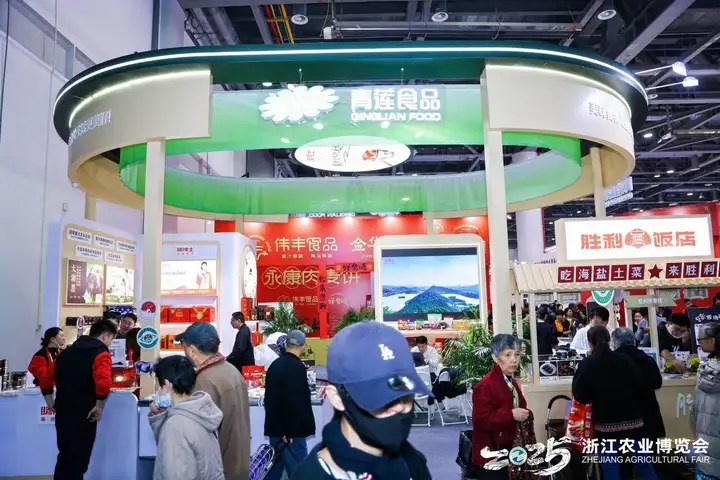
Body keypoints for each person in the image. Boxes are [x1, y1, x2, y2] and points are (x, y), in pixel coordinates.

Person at [292, 321, 432, 480]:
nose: (399, 407)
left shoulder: (413, 462)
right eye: (380, 397)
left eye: (406, 395)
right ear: (337, 398)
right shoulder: (310, 476)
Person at [572, 326, 657, 480]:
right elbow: (639, 386)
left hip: (605, 424)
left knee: (611, 467)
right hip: (633, 421)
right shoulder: (624, 360)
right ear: (609, 340)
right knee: (644, 463)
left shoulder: (587, 363)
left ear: (590, 342)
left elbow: (579, 395)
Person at [176, 323, 250, 480]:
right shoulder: (231, 370)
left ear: (193, 351)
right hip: (238, 463)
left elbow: (197, 437)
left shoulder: (204, 380)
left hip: (219, 469)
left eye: (184, 345)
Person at [44, 319, 116, 480]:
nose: (110, 343)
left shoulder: (65, 352)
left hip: (63, 413)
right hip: (85, 413)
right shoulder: (101, 353)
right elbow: (104, 383)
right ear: (105, 335)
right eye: (111, 338)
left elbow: (45, 377)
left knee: (65, 456)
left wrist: (50, 402)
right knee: (79, 461)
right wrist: (99, 405)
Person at [149, 355, 224, 480]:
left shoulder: (175, 426)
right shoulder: (199, 412)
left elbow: (176, 474)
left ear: (166, 385)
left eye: (157, 384)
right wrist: (161, 416)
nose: (156, 389)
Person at [471, 334, 530, 479]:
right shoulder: (485, 385)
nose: (514, 360)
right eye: (507, 355)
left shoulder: (511, 381)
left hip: (509, 450)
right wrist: (511, 415)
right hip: (491, 454)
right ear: (495, 357)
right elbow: (480, 421)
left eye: (517, 354)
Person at [264, 330, 315, 480]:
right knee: (300, 472)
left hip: (276, 429)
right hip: (291, 433)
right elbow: (295, 402)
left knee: (274, 470)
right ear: (303, 346)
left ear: (286, 344)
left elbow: (270, 400)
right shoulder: (297, 367)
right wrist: (290, 433)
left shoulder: (274, 365)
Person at [611, 327, 665, 441]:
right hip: (648, 415)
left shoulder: (611, 360)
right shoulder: (647, 359)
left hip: (622, 419)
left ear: (615, 342)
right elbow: (657, 383)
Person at [693, 323, 720, 480]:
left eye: (700, 340)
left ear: (712, 341)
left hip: (706, 441)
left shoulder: (704, 371)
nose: (699, 343)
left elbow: (695, 411)